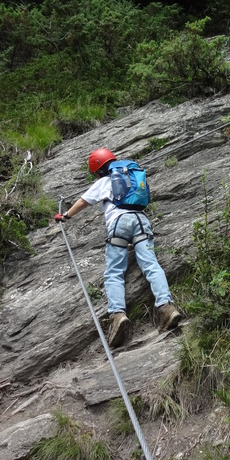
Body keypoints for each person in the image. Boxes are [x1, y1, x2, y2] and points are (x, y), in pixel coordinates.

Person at [55, 148, 182, 347]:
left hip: (119, 223)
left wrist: (65, 216)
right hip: (141, 220)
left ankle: (118, 316)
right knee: (151, 264)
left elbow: (82, 201)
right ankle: (167, 308)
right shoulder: (130, 177)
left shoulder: (103, 182)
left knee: (114, 272)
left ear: (98, 170)